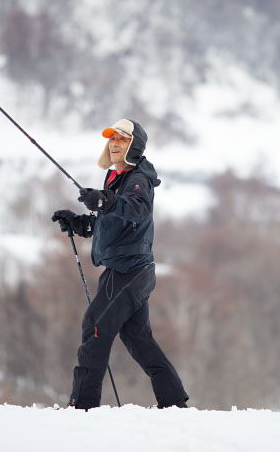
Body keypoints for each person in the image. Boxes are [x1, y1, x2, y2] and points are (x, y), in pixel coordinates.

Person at [52, 119, 188, 410]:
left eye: (122, 139)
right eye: (112, 139)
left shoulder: (137, 178)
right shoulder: (116, 178)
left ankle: (82, 407)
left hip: (129, 271)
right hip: (131, 270)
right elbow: (113, 223)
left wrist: (104, 201)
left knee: (94, 325)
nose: (114, 144)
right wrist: (80, 224)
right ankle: (175, 404)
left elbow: (137, 209)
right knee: (139, 340)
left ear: (134, 145)